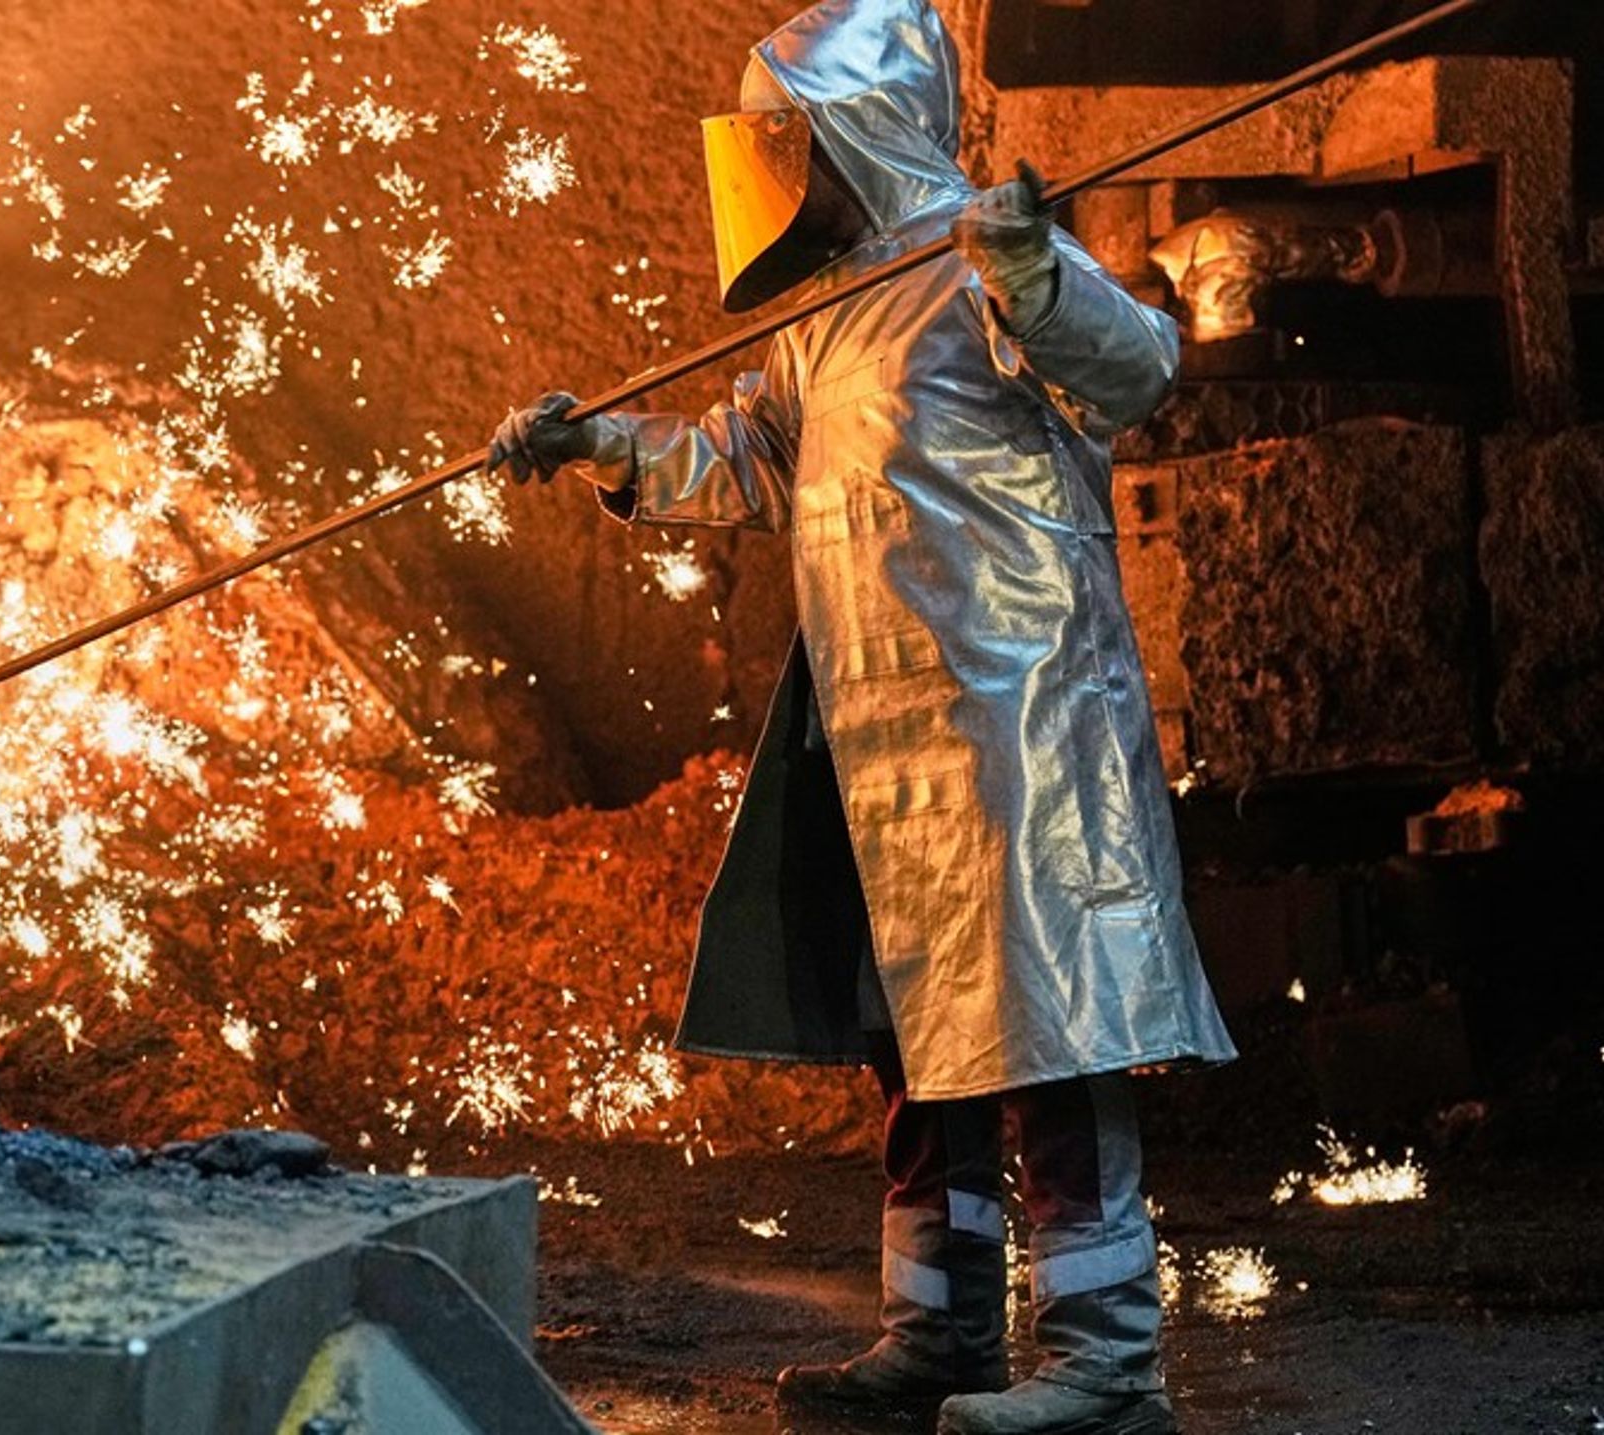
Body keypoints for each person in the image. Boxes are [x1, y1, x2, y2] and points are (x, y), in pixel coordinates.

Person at [484, 2, 1237, 1432]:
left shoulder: (984, 270)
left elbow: (1138, 367)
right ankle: (939, 1332)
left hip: (1016, 715)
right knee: (922, 1041)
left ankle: (1103, 1367)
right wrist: (601, 448)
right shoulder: (828, 314)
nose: (776, 165)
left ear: (858, 126)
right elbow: (742, 460)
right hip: (884, 731)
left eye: (791, 135)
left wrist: (1028, 267)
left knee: (1048, 1035)